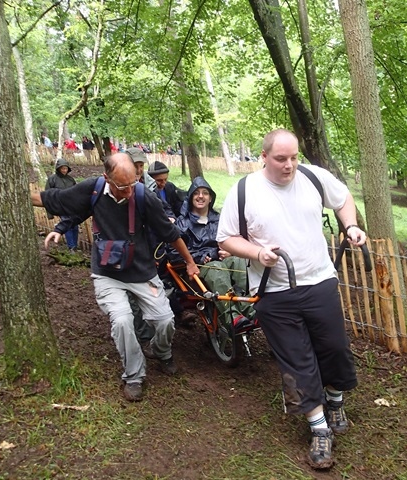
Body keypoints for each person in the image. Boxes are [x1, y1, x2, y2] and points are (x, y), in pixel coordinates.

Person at [216, 128, 367, 470]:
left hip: (320, 281)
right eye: (281, 159)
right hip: (274, 292)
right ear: (264, 157)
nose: (289, 166)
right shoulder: (244, 191)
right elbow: (225, 238)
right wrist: (256, 251)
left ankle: (334, 399)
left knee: (334, 348)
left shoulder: (313, 177)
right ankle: (319, 429)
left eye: (294, 157)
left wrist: (350, 226)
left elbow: (343, 199)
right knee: (296, 360)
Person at [31, 154, 199, 402]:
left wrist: (190, 261)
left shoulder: (142, 195)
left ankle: (160, 351)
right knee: (122, 321)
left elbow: (170, 232)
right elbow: (57, 200)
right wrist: (55, 226)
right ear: (106, 178)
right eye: (122, 187)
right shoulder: (93, 189)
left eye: (133, 184)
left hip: (142, 271)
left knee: (164, 320)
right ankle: (134, 375)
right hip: (107, 272)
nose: (129, 192)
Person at [169, 176, 256, 331]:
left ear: (211, 198)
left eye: (205, 193)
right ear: (190, 198)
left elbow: (234, 239)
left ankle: (251, 310)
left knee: (237, 261)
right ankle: (233, 317)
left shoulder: (220, 220)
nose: (201, 196)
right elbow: (174, 252)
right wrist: (201, 256)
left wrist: (230, 251)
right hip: (196, 272)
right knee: (216, 266)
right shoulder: (183, 223)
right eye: (196, 193)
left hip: (222, 263)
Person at [45, 158, 78, 251]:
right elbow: (47, 195)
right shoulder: (52, 179)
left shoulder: (70, 179)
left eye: (66, 168)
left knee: (75, 225)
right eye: (62, 168)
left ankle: (74, 245)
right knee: (66, 224)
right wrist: (50, 212)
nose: (64, 170)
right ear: (58, 168)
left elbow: (76, 193)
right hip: (61, 206)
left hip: (72, 206)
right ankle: (71, 247)